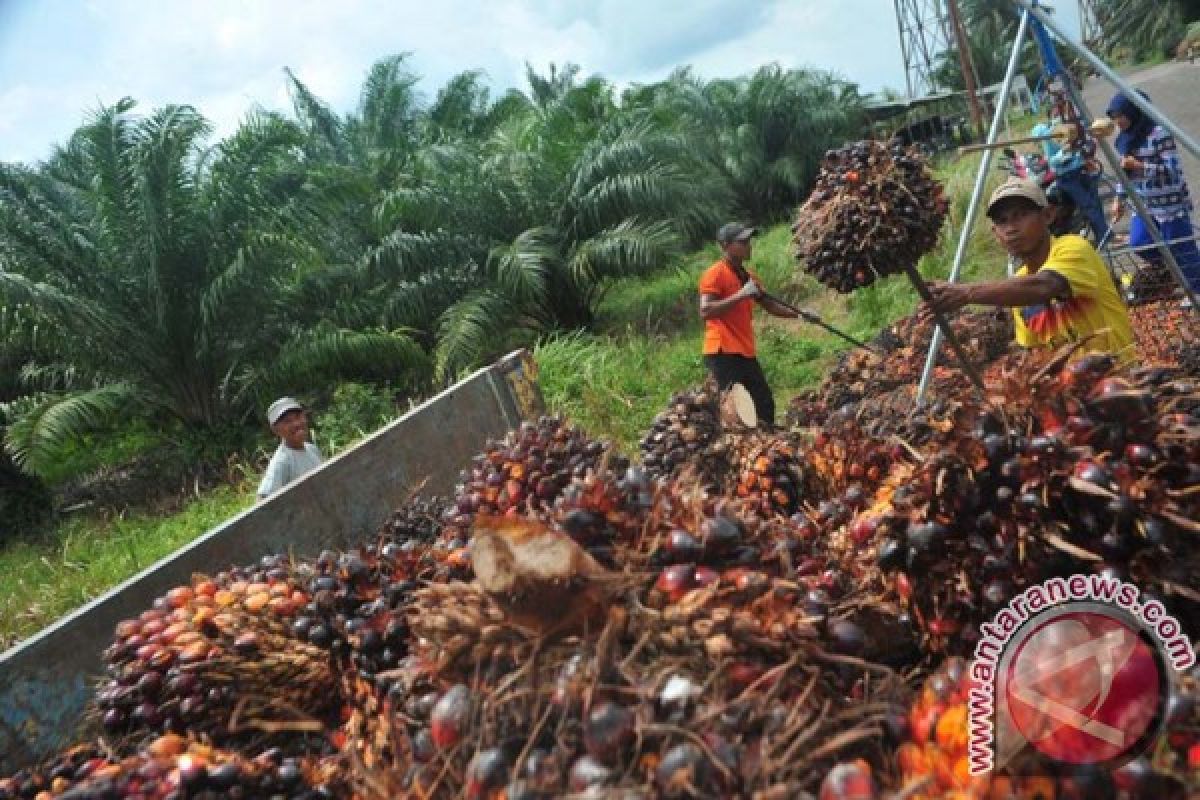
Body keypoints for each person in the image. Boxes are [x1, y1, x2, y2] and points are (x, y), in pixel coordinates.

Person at [922, 177, 1134, 358]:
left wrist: (966, 293)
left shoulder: (1073, 247)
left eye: (1020, 215)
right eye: (1002, 222)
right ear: (996, 234)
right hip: (1073, 397)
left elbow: (1046, 285)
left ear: (1048, 216)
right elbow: (1034, 353)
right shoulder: (1019, 291)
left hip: (1119, 383)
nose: (1011, 229)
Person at [698, 222, 798, 429]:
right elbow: (705, 310)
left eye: (748, 241)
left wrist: (800, 314)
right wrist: (741, 295)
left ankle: (770, 449)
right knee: (734, 410)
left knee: (764, 403)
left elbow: (769, 304)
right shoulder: (715, 274)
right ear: (726, 246)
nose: (748, 246)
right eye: (742, 242)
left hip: (744, 350)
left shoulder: (748, 276)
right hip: (722, 350)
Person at [1106, 90, 1200, 297]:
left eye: (1121, 115)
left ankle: (1196, 292)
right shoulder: (1125, 140)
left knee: (1183, 251)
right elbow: (1126, 172)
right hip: (1144, 205)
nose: (1117, 121)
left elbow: (1172, 170)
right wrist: (1118, 198)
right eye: (1114, 117)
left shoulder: (1159, 133)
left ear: (1134, 111)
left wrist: (1141, 165)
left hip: (1170, 204)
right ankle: (1174, 271)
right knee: (1139, 243)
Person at [1033, 93, 1109, 242]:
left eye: (1064, 108)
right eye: (1057, 110)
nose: (1061, 112)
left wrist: (1085, 157)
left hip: (1080, 170)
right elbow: (1052, 161)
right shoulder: (1050, 134)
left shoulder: (1075, 127)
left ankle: (1104, 234)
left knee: (1095, 203)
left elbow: (1084, 144)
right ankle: (1104, 237)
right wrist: (1063, 153)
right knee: (1088, 205)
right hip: (1066, 176)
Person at [257, 396, 324, 501]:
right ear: (275, 430)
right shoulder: (282, 462)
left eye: (298, 417)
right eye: (287, 421)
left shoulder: (312, 450)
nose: (296, 424)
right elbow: (262, 499)